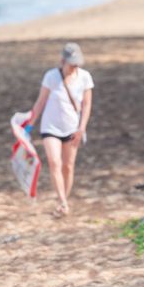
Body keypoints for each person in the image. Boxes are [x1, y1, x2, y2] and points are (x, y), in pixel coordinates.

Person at [27, 43, 94, 216]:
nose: (74, 67)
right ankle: (63, 202)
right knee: (54, 162)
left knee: (68, 166)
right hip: (50, 127)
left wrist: (81, 128)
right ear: (62, 61)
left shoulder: (85, 77)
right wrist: (29, 125)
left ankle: (62, 199)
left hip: (72, 128)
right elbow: (40, 102)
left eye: (77, 64)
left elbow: (86, 105)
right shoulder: (51, 77)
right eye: (71, 64)